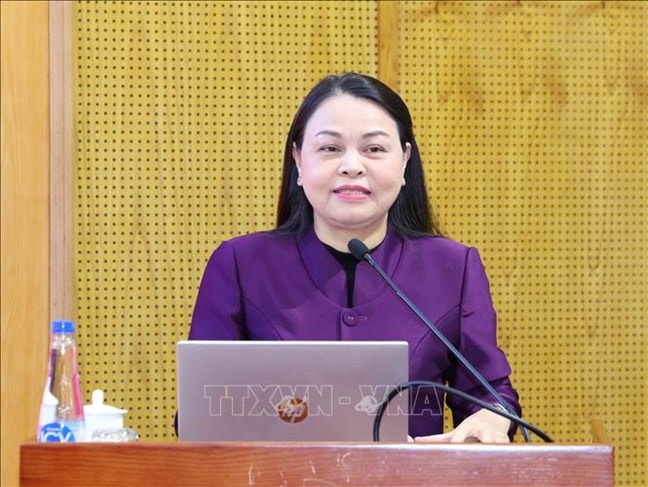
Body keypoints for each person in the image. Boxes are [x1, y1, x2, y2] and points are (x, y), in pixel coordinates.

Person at [188, 72, 520, 443]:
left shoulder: (453, 268)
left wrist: (492, 420)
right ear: (298, 161)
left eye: (373, 149)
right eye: (330, 148)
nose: (352, 166)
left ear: (405, 160)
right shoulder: (240, 265)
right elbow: (203, 410)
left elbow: (488, 393)